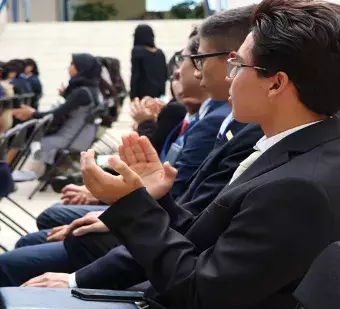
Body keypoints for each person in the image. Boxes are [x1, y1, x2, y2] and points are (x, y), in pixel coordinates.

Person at [2, 0, 340, 309]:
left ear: (276, 84)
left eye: (237, 65)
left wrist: (132, 204)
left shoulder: (299, 186)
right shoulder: (304, 150)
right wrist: (155, 199)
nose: (229, 76)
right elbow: (212, 243)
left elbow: (200, 293)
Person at [0, 8, 260, 287]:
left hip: (157, 264)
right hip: (158, 238)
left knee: (39, 241)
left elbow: (191, 239)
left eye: (195, 60)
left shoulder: (230, 128)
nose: (192, 71)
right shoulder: (227, 124)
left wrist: (121, 215)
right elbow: (189, 209)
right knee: (57, 227)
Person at [12, 53, 101, 167]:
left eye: (73, 64)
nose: (69, 67)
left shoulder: (82, 92)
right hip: (83, 135)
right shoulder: (91, 88)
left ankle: (34, 174)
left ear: (82, 68)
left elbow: (57, 113)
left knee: (41, 142)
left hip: (73, 138)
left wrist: (32, 113)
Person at [130, 24, 167, 100]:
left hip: (142, 97)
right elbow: (164, 76)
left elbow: (135, 76)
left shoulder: (137, 51)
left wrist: (133, 96)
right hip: (159, 96)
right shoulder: (160, 53)